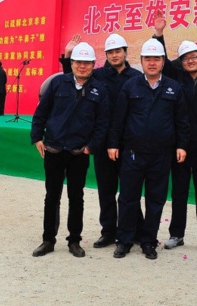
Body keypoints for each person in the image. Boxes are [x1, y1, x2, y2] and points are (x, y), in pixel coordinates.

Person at [107, 39, 190, 259]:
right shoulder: (130, 86)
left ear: (163, 61)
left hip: (161, 155)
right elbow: (118, 118)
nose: (152, 63)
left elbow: (182, 121)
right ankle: (124, 241)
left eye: (156, 59)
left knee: (155, 200)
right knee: (128, 198)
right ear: (141, 61)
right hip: (133, 154)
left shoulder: (174, 87)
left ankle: (148, 242)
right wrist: (113, 143)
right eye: (147, 59)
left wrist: (182, 146)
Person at [61, 32, 142, 248]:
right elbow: (72, 79)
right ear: (105, 55)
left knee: (130, 190)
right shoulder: (97, 75)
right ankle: (108, 232)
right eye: (110, 52)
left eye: (118, 51)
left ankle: (134, 230)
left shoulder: (136, 77)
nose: (115, 55)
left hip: (129, 142)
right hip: (102, 141)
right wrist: (68, 55)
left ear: (125, 52)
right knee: (106, 190)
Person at [30, 42, 110, 258]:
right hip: (54, 149)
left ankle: (74, 240)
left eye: (87, 63)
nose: (82, 66)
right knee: (52, 197)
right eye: (78, 62)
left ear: (93, 65)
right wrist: (37, 137)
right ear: (71, 63)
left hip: (78, 152)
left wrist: (91, 147)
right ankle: (48, 240)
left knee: (76, 197)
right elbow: (41, 112)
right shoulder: (57, 83)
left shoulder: (99, 89)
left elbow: (102, 123)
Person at [149, 16, 197, 253]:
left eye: (193, 57)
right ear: (181, 62)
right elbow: (161, 59)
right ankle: (176, 234)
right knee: (179, 191)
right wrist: (159, 33)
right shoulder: (175, 79)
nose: (190, 61)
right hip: (179, 145)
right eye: (185, 58)